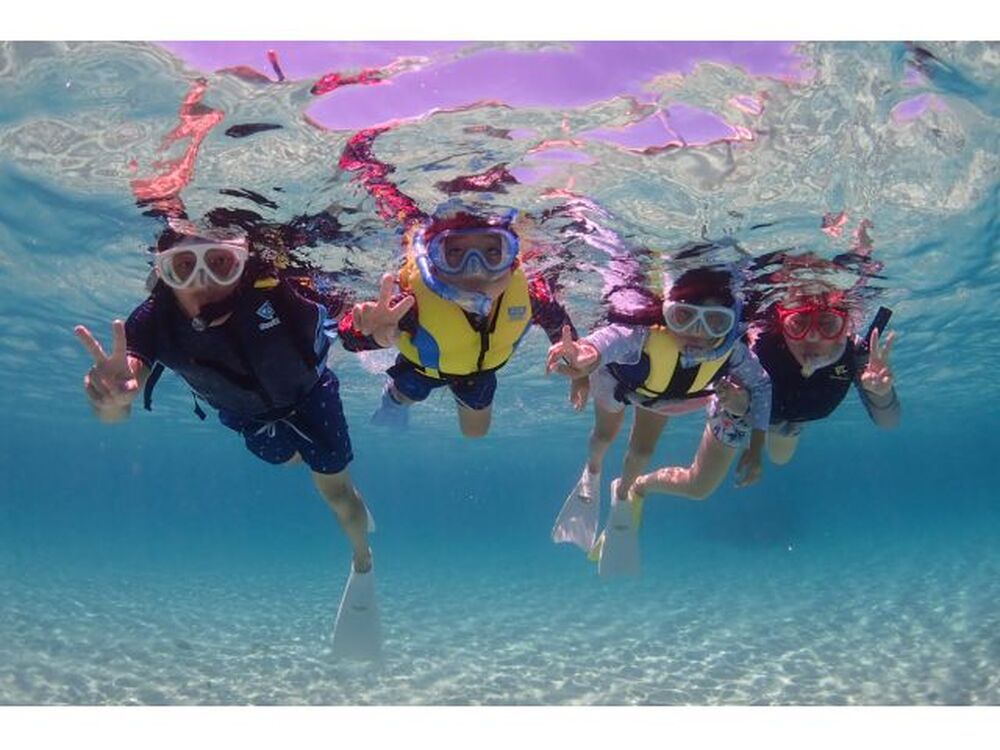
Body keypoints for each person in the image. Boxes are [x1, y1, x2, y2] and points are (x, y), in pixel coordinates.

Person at [74, 219, 382, 661]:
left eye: (220, 263)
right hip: (247, 417)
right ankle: (311, 462)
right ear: (162, 273)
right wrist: (110, 401)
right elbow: (121, 400)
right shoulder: (153, 321)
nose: (203, 282)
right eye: (184, 266)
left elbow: (350, 322)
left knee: (335, 493)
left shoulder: (278, 289)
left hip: (312, 399)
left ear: (243, 262)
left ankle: (363, 559)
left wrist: (375, 331)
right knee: (288, 460)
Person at [546, 265, 771, 576]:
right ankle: (592, 472)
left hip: (659, 395)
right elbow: (606, 340)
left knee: (642, 453)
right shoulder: (642, 334)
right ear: (666, 314)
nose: (697, 332)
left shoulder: (733, 353)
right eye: (684, 317)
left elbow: (761, 385)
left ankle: (622, 496)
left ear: (730, 323)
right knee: (604, 437)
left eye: (715, 322)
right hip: (617, 380)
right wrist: (585, 358)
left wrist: (756, 447)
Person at [338, 205, 581, 437]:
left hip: (479, 374)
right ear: (434, 261)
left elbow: (561, 330)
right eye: (455, 253)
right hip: (422, 370)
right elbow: (350, 337)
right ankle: (392, 402)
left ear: (513, 261)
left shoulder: (531, 296)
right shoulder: (413, 303)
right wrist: (372, 335)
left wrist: (578, 363)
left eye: (492, 252)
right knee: (406, 394)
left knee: (475, 432)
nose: (475, 270)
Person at [749, 286, 900, 465]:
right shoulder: (758, 344)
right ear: (782, 323)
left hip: (794, 423)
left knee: (780, 458)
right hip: (765, 417)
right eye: (798, 323)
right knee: (777, 451)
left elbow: (888, 422)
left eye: (827, 324)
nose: (812, 336)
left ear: (846, 327)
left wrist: (881, 393)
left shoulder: (856, 352)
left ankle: (787, 428)